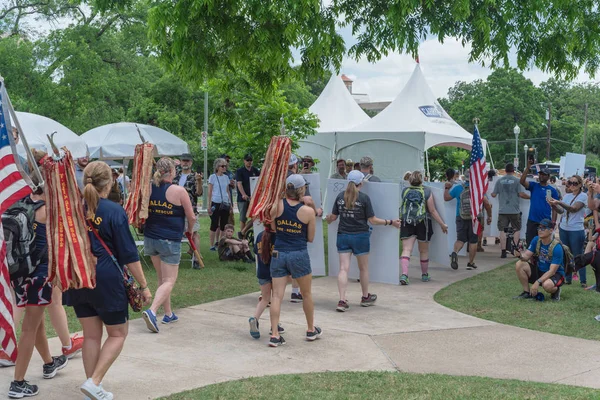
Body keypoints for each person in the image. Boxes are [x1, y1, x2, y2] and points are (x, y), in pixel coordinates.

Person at [65, 161, 152, 399]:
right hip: (106, 278)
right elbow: (129, 254)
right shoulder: (114, 211)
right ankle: (94, 382)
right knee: (117, 334)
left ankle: (91, 387)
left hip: (80, 276)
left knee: (91, 336)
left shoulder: (72, 208)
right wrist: (144, 285)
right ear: (110, 181)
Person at [8, 190, 70, 399]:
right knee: (29, 329)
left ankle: (49, 363)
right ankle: (17, 383)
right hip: (41, 274)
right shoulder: (49, 209)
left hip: (20, 273)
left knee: (37, 324)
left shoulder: (19, 203)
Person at [326, 170, 400, 311]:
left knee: (343, 269)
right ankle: (365, 297)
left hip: (343, 236)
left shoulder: (340, 197)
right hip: (361, 236)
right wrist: (391, 222)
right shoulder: (364, 198)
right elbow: (372, 220)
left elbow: (333, 217)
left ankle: (342, 300)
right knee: (363, 268)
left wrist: (328, 218)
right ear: (361, 183)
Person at [142, 157, 195, 332]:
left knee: (162, 279)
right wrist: (190, 230)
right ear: (172, 172)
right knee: (170, 280)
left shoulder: (149, 187)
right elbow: (192, 216)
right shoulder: (179, 191)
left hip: (150, 238)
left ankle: (168, 313)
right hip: (169, 240)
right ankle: (152, 311)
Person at [267, 174, 319, 347]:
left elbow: (273, 228)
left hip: (279, 253)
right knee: (306, 294)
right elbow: (311, 238)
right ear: (301, 190)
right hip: (298, 253)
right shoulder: (308, 211)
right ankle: (310, 329)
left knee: (276, 295)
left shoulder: (276, 206)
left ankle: (274, 334)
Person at [399, 171, 448, 285]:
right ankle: (424, 274)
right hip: (423, 222)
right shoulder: (427, 191)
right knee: (424, 250)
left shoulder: (405, 191)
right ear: (422, 180)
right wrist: (442, 224)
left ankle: (404, 274)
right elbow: (432, 210)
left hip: (407, 221)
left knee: (406, 249)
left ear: (410, 180)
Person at [548, 175, 588, 286]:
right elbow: (561, 211)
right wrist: (553, 205)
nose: (572, 185)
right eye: (570, 182)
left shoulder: (583, 196)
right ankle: (568, 278)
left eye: (575, 183)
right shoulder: (567, 196)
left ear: (580, 185)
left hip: (576, 229)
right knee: (566, 254)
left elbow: (574, 209)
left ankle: (583, 280)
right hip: (564, 228)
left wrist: (559, 202)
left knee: (578, 255)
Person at [444, 178, 492, 270]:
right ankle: (470, 262)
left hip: (460, 216)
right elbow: (486, 203)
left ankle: (455, 252)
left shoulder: (458, 188)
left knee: (460, 240)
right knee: (473, 241)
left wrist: (446, 188)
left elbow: (446, 198)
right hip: (475, 218)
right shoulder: (479, 188)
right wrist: (489, 216)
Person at [514, 219, 565, 301]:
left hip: (555, 274)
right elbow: (526, 256)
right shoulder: (536, 240)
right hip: (540, 270)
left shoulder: (557, 247)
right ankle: (527, 292)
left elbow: (552, 271)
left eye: (543, 228)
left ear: (551, 230)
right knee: (519, 264)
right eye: (539, 228)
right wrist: (520, 256)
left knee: (547, 285)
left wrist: (537, 282)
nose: (540, 230)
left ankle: (556, 290)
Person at [248, 230, 285, 339]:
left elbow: (256, 251)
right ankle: (274, 326)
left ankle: (254, 318)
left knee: (264, 299)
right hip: (275, 272)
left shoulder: (260, 235)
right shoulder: (278, 237)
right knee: (276, 298)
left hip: (262, 271)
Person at [173, 153, 203, 269]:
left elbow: (199, 193)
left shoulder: (195, 176)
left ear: (191, 163)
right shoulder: (175, 176)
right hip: (175, 211)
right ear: (180, 162)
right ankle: (174, 258)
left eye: (187, 161)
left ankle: (196, 260)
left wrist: (199, 182)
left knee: (194, 234)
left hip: (191, 210)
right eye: (183, 161)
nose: (185, 163)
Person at [492, 163, 528, 258]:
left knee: (502, 230)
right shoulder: (517, 181)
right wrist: (531, 197)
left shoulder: (499, 181)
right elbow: (521, 194)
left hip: (502, 210)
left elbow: (493, 194)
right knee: (516, 229)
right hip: (514, 210)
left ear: (505, 170)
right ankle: (515, 249)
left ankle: (503, 251)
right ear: (513, 170)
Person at [520, 162, 560, 246]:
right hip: (532, 220)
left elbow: (554, 208)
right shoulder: (534, 186)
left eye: (544, 174)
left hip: (545, 221)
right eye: (540, 174)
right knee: (530, 243)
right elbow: (522, 181)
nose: (541, 176)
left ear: (548, 176)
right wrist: (527, 168)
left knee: (544, 244)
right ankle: (531, 258)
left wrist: (553, 221)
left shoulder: (552, 190)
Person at [208, 158, 233, 252]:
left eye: (225, 166)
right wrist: (209, 205)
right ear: (217, 167)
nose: (224, 167)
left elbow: (228, 191)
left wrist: (230, 203)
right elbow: (210, 191)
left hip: (225, 202)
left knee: (224, 224)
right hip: (216, 201)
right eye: (222, 166)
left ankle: (221, 243)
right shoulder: (212, 177)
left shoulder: (226, 178)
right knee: (214, 224)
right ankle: (211, 245)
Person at [236, 153, 260, 233]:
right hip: (243, 199)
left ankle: (243, 232)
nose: (249, 162)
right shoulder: (240, 171)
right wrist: (243, 194)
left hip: (253, 198)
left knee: (255, 216)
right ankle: (242, 236)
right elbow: (239, 183)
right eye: (247, 160)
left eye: (251, 160)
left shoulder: (255, 170)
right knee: (243, 218)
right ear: (244, 161)